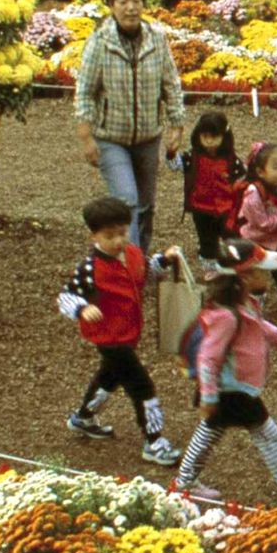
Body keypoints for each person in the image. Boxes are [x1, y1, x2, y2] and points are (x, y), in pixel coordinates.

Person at [174, 266, 277, 509]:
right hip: (232, 391)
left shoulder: (243, 305)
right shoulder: (227, 317)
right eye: (260, 272)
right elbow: (208, 357)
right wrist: (208, 396)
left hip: (230, 390)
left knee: (209, 433)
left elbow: (260, 326)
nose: (266, 276)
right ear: (244, 278)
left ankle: (184, 482)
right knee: (268, 436)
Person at [59, 193, 184, 467]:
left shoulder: (132, 254)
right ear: (93, 237)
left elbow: (145, 273)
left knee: (108, 378)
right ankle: (154, 440)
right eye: (109, 236)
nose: (118, 240)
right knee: (142, 387)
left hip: (128, 333)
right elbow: (66, 295)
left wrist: (163, 259)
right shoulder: (90, 269)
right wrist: (82, 308)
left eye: (122, 233)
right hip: (110, 338)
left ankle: (83, 417)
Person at [74, 0, 183, 249]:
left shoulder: (156, 39)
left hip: (149, 136)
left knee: (146, 204)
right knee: (126, 199)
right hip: (111, 137)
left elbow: (171, 83)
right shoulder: (100, 41)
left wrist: (176, 124)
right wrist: (86, 136)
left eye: (136, 1)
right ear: (112, 5)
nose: (130, 8)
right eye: (123, 2)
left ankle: (140, 258)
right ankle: (128, 268)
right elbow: (85, 91)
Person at [232, 142, 277, 317]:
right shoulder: (253, 194)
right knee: (257, 278)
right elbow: (263, 224)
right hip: (257, 242)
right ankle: (253, 308)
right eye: (276, 167)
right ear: (260, 172)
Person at [181, 108, 246, 263]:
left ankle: (236, 262)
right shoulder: (192, 157)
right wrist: (170, 153)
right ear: (198, 136)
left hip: (225, 208)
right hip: (200, 207)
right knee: (206, 240)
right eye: (205, 137)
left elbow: (243, 178)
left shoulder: (231, 160)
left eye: (214, 137)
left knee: (232, 236)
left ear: (224, 137)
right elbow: (176, 164)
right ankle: (210, 265)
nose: (209, 141)